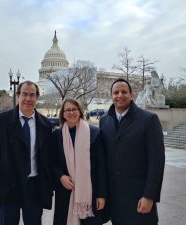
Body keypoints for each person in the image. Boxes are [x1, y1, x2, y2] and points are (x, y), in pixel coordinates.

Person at [0, 80, 53, 225]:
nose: (28, 99)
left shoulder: (45, 124)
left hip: (34, 187)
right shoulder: (1, 120)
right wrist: (2, 169)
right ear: (18, 95)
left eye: (32, 95)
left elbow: (48, 157)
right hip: (9, 185)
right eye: (24, 94)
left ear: (37, 98)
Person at [99, 78, 165, 225]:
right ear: (111, 96)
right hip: (115, 200)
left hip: (139, 198)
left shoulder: (149, 120)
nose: (120, 95)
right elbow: (103, 160)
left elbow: (157, 161)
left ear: (131, 95)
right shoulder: (104, 120)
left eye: (124, 92)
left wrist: (149, 196)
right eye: (116, 92)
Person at [52, 98, 106, 225]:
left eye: (74, 109)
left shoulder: (95, 133)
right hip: (65, 192)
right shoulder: (56, 135)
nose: (71, 112)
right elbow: (50, 162)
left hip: (90, 194)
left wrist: (101, 195)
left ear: (80, 111)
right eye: (68, 110)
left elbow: (101, 166)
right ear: (63, 114)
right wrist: (60, 176)